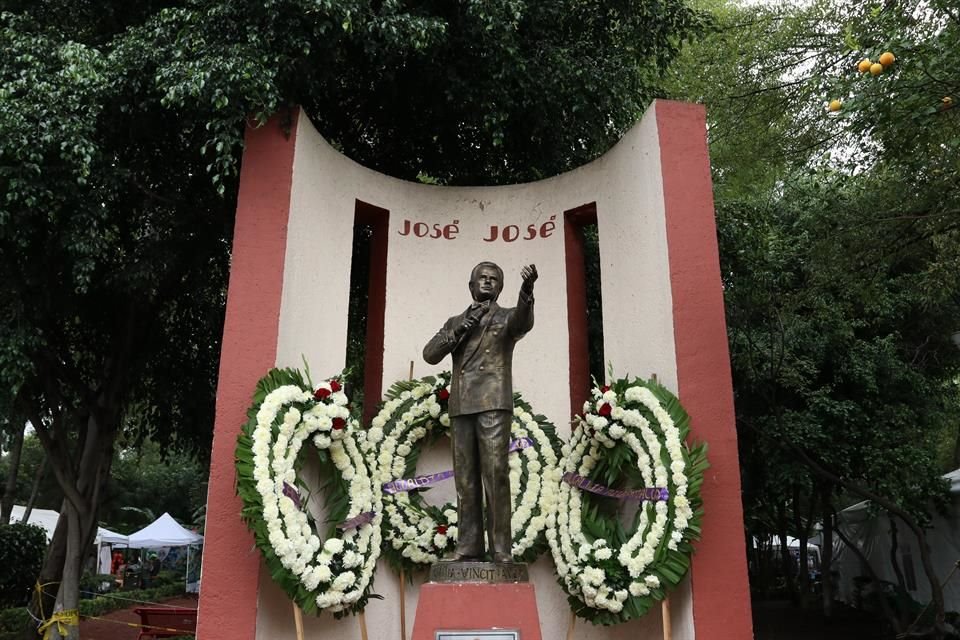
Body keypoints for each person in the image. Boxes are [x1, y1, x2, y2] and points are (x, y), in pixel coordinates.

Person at [423, 261, 537, 563]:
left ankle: (500, 549)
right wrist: (462, 327)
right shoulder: (455, 321)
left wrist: (527, 290)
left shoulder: (506, 317)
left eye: (494, 279)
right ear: (471, 285)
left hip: (493, 402)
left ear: (500, 287)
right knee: (466, 478)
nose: (487, 282)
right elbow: (430, 354)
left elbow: (522, 322)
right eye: (482, 278)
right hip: (462, 404)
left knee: (495, 473)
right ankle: (469, 546)